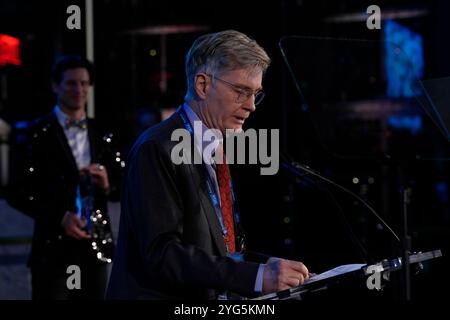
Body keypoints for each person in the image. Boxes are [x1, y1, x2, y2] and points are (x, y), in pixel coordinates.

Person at [106, 30, 309, 300]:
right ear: (202, 85)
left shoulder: (214, 147)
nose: (251, 106)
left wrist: (268, 267)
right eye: (241, 91)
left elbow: (218, 248)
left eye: (255, 94)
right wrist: (257, 277)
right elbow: (162, 253)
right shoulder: (157, 148)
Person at [7, 55, 123, 300]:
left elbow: (123, 185)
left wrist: (108, 184)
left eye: (84, 83)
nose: (79, 90)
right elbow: (16, 192)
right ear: (55, 85)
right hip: (52, 249)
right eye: (71, 83)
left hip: (96, 247)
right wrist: (60, 217)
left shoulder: (102, 132)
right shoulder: (33, 134)